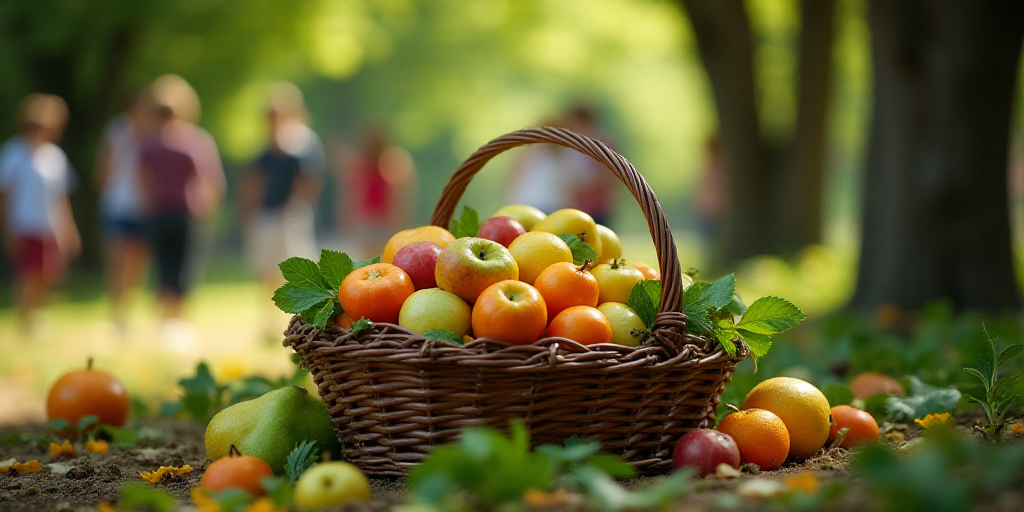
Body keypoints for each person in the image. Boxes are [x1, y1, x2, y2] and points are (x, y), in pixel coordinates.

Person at [239, 82, 326, 336]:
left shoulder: (303, 141)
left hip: (290, 215)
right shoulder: (269, 147)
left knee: (297, 268)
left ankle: (304, 318)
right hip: (267, 214)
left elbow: (309, 178)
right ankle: (267, 322)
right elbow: (255, 179)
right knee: (265, 269)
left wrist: (295, 206)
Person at [138, 75, 225, 321]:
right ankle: (177, 319)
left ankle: (167, 319)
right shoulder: (193, 140)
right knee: (184, 270)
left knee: (165, 268)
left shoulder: (149, 144)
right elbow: (210, 180)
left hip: (160, 211)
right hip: (185, 213)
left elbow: (143, 180)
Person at [0, 93, 81, 334]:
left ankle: (36, 315)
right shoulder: (13, 153)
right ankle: (24, 320)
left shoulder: (55, 156)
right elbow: (5, 195)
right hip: (23, 224)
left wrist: (68, 229)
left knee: (45, 274)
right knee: (26, 273)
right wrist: (7, 229)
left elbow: (61, 197)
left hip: (48, 225)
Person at [95, 91, 152, 332]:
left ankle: (128, 313)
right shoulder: (116, 130)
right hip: (118, 205)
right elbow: (103, 169)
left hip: (145, 208)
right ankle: (117, 314)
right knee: (118, 262)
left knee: (137, 264)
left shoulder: (151, 133)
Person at [339, 125, 416, 257]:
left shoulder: (390, 163)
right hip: (367, 219)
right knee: (367, 258)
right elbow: (354, 194)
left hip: (384, 220)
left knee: (387, 255)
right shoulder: (361, 165)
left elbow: (398, 197)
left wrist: (400, 221)